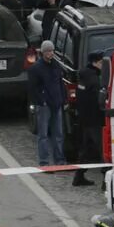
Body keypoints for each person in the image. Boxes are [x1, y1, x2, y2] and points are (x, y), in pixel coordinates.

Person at [28, 39, 66, 167]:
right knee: (43, 135)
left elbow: (60, 83)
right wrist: (42, 101)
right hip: (44, 105)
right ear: (43, 52)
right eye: (48, 51)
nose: (51, 53)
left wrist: (63, 99)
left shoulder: (56, 65)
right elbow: (33, 88)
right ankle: (44, 162)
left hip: (56, 103)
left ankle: (59, 160)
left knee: (58, 134)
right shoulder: (36, 68)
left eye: (52, 50)